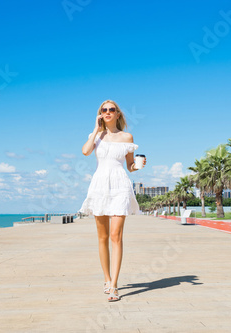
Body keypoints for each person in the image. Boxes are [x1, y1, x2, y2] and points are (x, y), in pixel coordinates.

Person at [80, 100, 146, 302]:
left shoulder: (127, 137)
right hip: (100, 185)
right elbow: (85, 151)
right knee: (102, 237)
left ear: (118, 114)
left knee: (116, 236)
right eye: (104, 110)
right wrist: (95, 129)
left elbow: (130, 166)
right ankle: (106, 279)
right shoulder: (97, 136)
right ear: (100, 114)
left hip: (120, 186)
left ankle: (114, 285)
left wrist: (139, 166)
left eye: (111, 110)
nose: (108, 112)